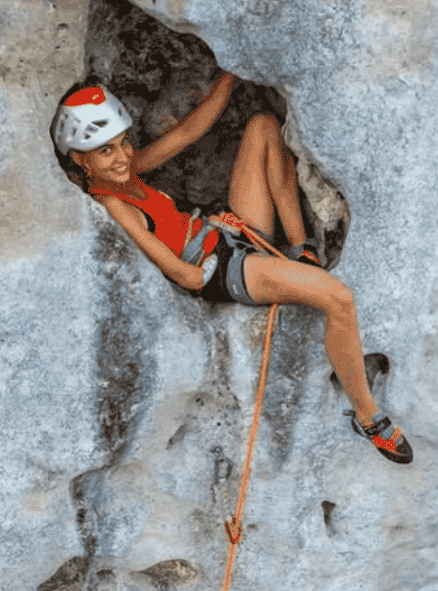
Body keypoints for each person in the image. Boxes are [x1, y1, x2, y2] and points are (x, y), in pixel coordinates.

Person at [50, 74, 412, 464]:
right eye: (106, 151)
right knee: (337, 298)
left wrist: (229, 74)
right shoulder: (112, 204)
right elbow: (175, 267)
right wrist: (203, 269)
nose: (121, 156)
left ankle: (300, 248)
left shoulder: (128, 171)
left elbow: (188, 132)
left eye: (123, 143)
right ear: (79, 159)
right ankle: (369, 418)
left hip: (225, 234)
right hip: (227, 270)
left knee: (262, 127)